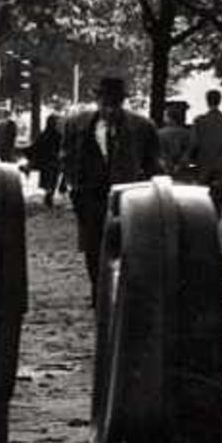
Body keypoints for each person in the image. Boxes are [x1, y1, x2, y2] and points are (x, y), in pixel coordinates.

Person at [59, 76, 161, 296]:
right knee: (93, 245)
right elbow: (66, 155)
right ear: (98, 100)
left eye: (114, 103)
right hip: (89, 195)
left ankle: (122, 289)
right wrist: (72, 184)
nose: (110, 109)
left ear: (122, 102)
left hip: (128, 196)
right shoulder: (77, 124)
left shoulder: (142, 126)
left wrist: (155, 191)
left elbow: (153, 163)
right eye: (105, 102)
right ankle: (99, 288)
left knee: (127, 242)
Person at [191, 88, 222, 208]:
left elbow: (194, 143)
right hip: (221, 164)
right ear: (220, 101)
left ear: (207, 101)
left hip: (204, 164)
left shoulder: (199, 121)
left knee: (203, 196)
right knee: (220, 195)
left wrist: (191, 161)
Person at [31, 112, 62, 208]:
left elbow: (36, 146)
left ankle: (49, 196)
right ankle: (49, 196)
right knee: (52, 180)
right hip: (53, 160)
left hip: (46, 161)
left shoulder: (43, 134)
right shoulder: (57, 134)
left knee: (48, 180)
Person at [158, 100, 195, 179]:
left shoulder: (160, 134)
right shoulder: (187, 134)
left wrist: (168, 166)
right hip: (183, 170)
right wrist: (179, 166)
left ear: (169, 117)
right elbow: (189, 151)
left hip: (166, 169)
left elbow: (161, 153)